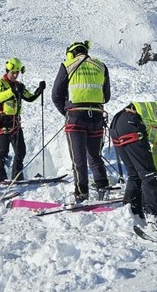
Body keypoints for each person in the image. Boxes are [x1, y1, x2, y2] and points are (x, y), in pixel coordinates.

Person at [51, 41, 110, 203]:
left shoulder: (67, 65)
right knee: (95, 156)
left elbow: (56, 95)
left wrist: (67, 112)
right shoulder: (101, 66)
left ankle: (82, 192)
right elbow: (106, 96)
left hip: (75, 118)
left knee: (79, 159)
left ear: (71, 53)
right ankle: (102, 186)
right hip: (97, 116)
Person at [0, 57, 46, 183]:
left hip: (15, 121)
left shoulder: (18, 85)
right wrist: (12, 91)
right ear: (7, 71)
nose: (15, 75)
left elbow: (30, 97)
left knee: (21, 150)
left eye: (17, 73)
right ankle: (0, 178)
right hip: (3, 120)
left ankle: (17, 176)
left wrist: (39, 90)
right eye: (13, 72)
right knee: (3, 151)